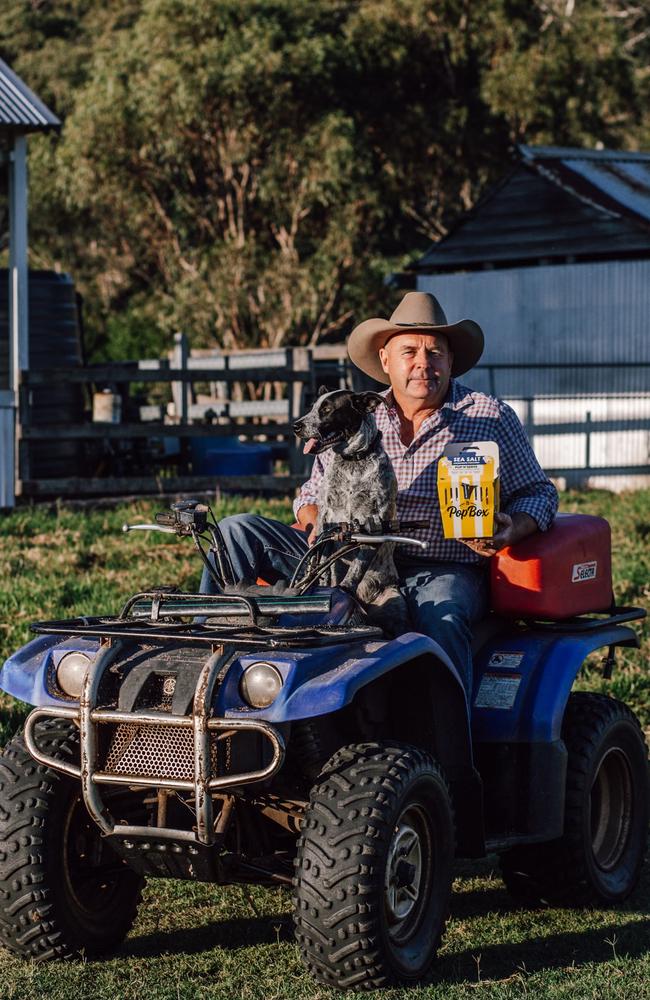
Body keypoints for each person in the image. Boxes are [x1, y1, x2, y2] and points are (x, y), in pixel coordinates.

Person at [201, 291, 558, 700]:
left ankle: (451, 749)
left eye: (435, 352)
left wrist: (512, 529)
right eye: (409, 351)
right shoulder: (355, 415)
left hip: (438, 566)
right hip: (345, 554)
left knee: (441, 617)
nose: (423, 363)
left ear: (450, 360)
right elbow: (311, 492)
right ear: (386, 360)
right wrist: (318, 520)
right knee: (235, 531)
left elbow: (538, 493)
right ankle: (214, 661)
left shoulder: (488, 416)